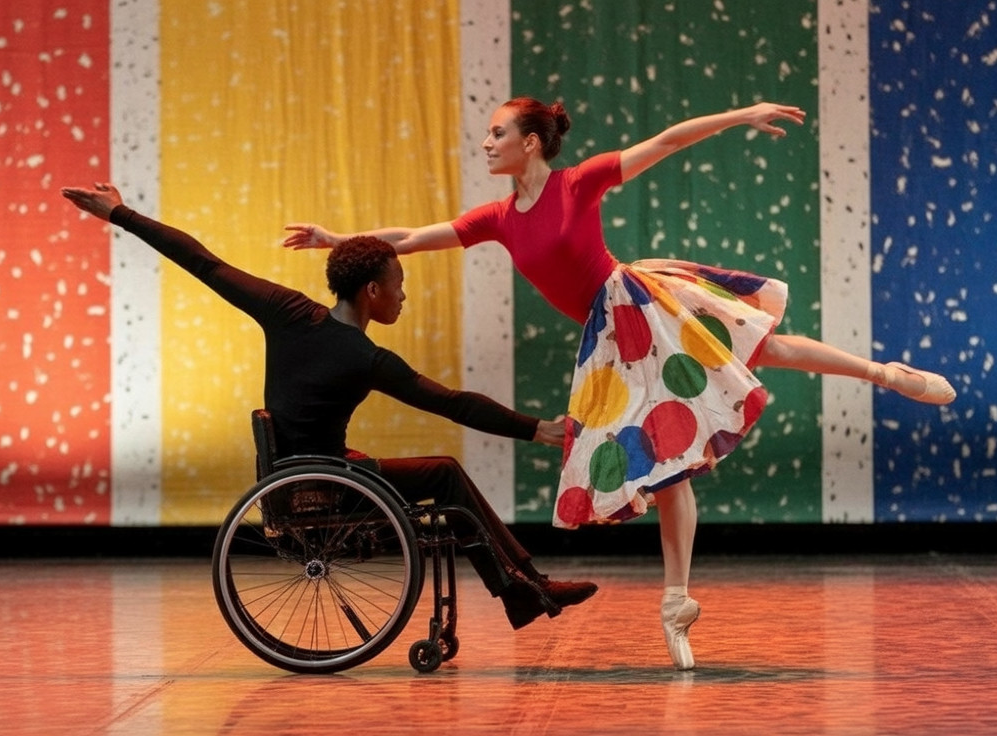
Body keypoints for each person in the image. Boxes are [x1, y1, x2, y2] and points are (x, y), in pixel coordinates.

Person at [281, 97, 957, 669]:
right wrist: (339, 238)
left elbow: (664, 141)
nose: (486, 142)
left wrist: (743, 114)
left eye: (497, 133)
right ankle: (677, 601)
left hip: (636, 301)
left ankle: (882, 373)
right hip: (609, 338)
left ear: (532, 142)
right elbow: (410, 235)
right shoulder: (498, 219)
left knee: (759, 344)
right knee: (669, 459)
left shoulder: (578, 184)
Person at [61, 181, 597, 631]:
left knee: (445, 477)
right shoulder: (366, 358)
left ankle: (523, 589)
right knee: (446, 478)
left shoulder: (289, 312)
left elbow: (203, 262)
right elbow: (453, 404)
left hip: (298, 477)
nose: (403, 297)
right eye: (399, 286)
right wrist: (536, 429)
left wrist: (120, 213)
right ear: (371, 290)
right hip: (323, 489)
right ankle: (524, 589)